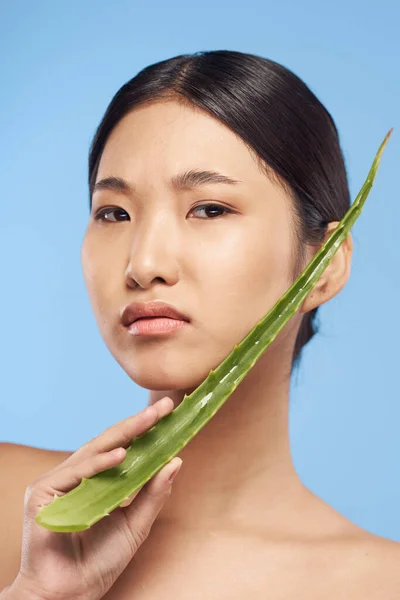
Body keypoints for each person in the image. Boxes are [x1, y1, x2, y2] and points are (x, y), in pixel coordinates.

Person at [0, 49, 399, 600]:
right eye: (113, 213)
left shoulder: (379, 584)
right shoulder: (13, 510)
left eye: (209, 209)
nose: (144, 265)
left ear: (324, 264)